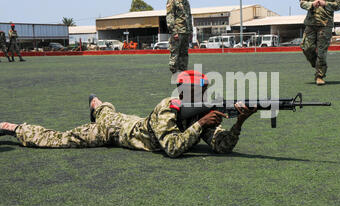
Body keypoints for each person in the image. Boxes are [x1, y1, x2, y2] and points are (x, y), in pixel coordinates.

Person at [0, 70, 257, 158]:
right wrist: (201, 123)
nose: (205, 95)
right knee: (59, 139)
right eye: (201, 91)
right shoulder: (167, 107)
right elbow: (173, 148)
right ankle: (12, 127)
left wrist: (240, 122)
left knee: (108, 112)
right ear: (185, 92)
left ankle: (97, 104)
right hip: (113, 133)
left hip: (131, 122)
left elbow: (221, 147)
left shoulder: (198, 112)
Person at [300, 0, 340, 86]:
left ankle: (319, 75)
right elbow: (302, 2)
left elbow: (338, 5)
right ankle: (316, 63)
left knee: (322, 52)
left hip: (326, 24)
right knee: (306, 47)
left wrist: (326, 4)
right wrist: (311, 4)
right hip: (311, 23)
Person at [166, 0, 193, 74]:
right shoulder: (172, 0)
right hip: (177, 32)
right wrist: (174, 32)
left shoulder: (186, 2)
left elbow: (189, 17)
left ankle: (183, 74)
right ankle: (174, 73)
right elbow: (170, 16)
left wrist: (191, 31)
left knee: (184, 55)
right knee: (175, 54)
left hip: (186, 32)